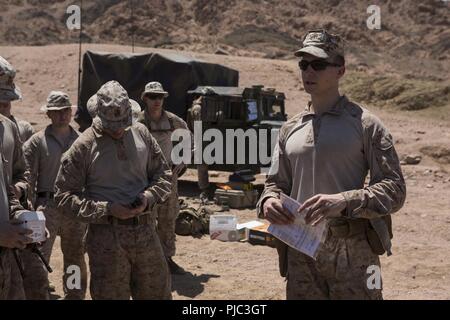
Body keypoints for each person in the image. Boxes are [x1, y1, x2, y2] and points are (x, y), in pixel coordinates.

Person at [256, 29, 406, 300]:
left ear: (341, 70)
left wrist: (344, 201)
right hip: (301, 251)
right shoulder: (290, 129)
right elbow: (275, 184)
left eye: (319, 64)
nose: (308, 71)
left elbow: (394, 190)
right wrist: (268, 202)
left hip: (353, 254)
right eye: (304, 64)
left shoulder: (366, 125)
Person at [55, 81, 172, 300]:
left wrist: (148, 197)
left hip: (146, 232)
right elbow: (63, 196)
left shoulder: (141, 133)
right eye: (112, 125)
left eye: (123, 123)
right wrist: (107, 209)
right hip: (106, 239)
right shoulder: (84, 145)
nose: (118, 130)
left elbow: (164, 176)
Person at [21, 91, 87, 300]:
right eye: (57, 111)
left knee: (74, 256)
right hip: (44, 207)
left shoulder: (82, 140)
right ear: (49, 114)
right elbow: (26, 175)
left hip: (74, 207)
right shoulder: (36, 142)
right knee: (36, 256)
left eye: (66, 110)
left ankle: (74, 294)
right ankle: (38, 293)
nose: (62, 115)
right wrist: (27, 208)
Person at [139, 81, 188, 275]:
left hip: (168, 177)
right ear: (145, 99)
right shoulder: (137, 122)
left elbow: (188, 140)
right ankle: (148, 260)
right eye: (152, 97)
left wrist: (181, 163)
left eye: (159, 96)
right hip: (145, 178)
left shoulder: (174, 121)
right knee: (147, 218)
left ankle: (167, 258)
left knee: (168, 218)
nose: (156, 100)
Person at [0, 55, 30, 300]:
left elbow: (10, 183)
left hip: (7, 255)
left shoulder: (8, 128)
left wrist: (22, 216)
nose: (4, 106)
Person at [186, 96, 210, 202]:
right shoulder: (197, 108)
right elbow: (197, 125)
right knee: (201, 164)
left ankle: (204, 189)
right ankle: (204, 190)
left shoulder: (196, 107)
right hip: (200, 138)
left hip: (202, 137)